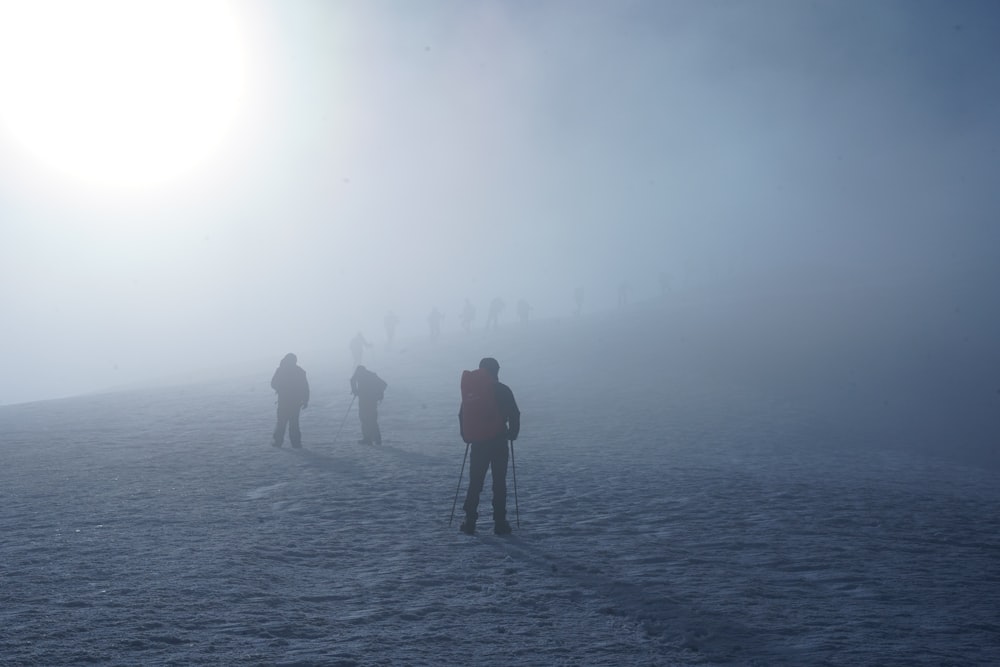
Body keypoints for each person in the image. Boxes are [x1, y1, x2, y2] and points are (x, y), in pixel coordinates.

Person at [459, 357, 521, 535]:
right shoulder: (503, 390)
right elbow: (515, 414)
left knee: (475, 482)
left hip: (478, 443)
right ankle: (500, 523)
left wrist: (467, 435)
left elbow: (463, 414)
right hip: (499, 442)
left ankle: (469, 521)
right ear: (496, 371)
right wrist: (512, 433)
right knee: (499, 483)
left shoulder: (474, 390)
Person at [271, 353, 309, 448]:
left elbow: (273, 383)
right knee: (294, 423)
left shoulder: (281, 370)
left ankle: (278, 442)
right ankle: (296, 443)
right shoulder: (300, 371)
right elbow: (305, 388)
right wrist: (305, 400)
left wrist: (280, 389)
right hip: (295, 402)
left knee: (281, 422)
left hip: (284, 400)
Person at [350, 365, 387, 445]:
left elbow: (352, 380)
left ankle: (370, 439)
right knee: (369, 419)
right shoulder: (370, 375)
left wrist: (355, 391)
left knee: (367, 419)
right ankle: (373, 439)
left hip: (367, 401)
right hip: (370, 401)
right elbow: (383, 384)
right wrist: (379, 394)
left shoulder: (365, 375)